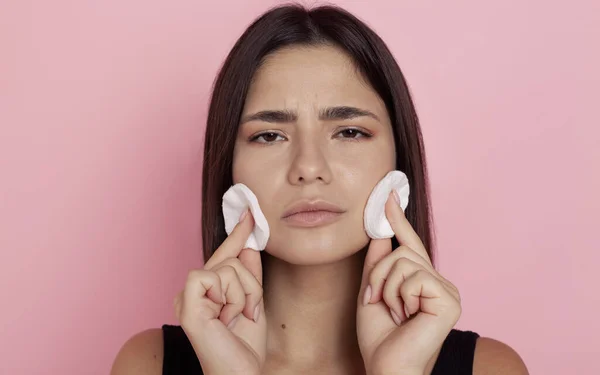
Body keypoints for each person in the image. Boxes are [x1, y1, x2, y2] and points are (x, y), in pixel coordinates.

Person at [111, 4, 528, 375]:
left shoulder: (492, 368)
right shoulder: (146, 363)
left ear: (398, 164)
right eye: (270, 136)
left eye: (349, 131)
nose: (309, 168)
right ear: (230, 173)